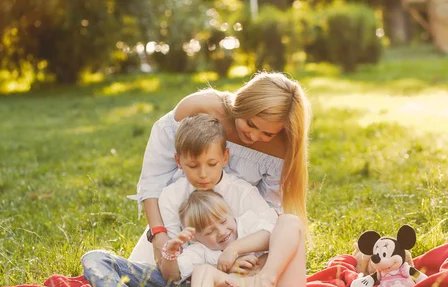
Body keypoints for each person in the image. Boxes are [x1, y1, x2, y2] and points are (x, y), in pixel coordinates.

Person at [82, 114, 278, 287]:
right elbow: (169, 274)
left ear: (225, 157)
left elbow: (275, 235)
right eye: (193, 166)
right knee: (94, 258)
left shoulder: (242, 192)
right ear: (179, 161)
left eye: (211, 164)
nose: (203, 174)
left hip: (214, 286)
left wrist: (239, 262)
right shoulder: (171, 196)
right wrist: (169, 253)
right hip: (173, 278)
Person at [130, 72, 312, 265]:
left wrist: (241, 252)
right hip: (179, 222)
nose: (254, 136)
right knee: (145, 279)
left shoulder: (280, 149)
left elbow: (268, 210)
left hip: (235, 235)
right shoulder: (197, 108)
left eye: (267, 133)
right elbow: (154, 180)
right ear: (241, 104)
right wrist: (158, 234)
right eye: (250, 124)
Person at [160, 190, 306, 287]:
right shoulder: (200, 250)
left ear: (230, 214)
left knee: (289, 221)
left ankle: (266, 279)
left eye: (223, 222)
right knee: (203, 270)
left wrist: (233, 249)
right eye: (209, 232)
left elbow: (271, 235)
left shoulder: (247, 223)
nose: (222, 232)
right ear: (196, 238)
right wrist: (170, 252)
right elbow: (173, 275)